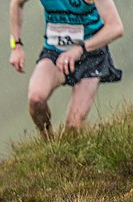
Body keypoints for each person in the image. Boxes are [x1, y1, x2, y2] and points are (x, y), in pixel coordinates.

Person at [9, 0, 124, 136]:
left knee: (73, 126)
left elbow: (116, 28)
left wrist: (81, 49)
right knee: (36, 99)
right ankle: (47, 142)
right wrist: (16, 46)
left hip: (91, 55)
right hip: (55, 52)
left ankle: (68, 149)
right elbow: (16, 4)